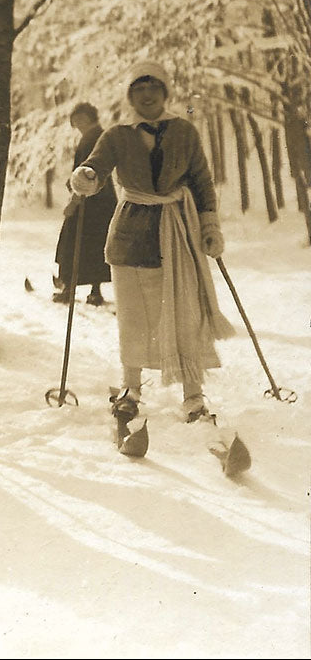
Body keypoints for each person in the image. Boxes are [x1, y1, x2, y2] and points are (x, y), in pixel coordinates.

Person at [69, 59, 233, 425]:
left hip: (178, 233)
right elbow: (97, 166)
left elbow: (202, 182)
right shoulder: (117, 135)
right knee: (133, 318)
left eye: (153, 88)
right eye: (139, 89)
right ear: (130, 96)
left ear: (165, 92)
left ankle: (193, 395)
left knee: (185, 316)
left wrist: (209, 226)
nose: (147, 96)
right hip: (130, 233)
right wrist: (87, 176)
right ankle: (131, 390)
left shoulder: (185, 132)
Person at [53, 102, 117, 306]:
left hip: (89, 199)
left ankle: (68, 289)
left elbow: (87, 174)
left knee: (73, 242)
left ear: (87, 118)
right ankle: (95, 291)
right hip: (103, 200)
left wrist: (74, 201)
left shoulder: (91, 139)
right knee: (96, 244)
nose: (76, 124)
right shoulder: (99, 136)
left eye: (79, 119)